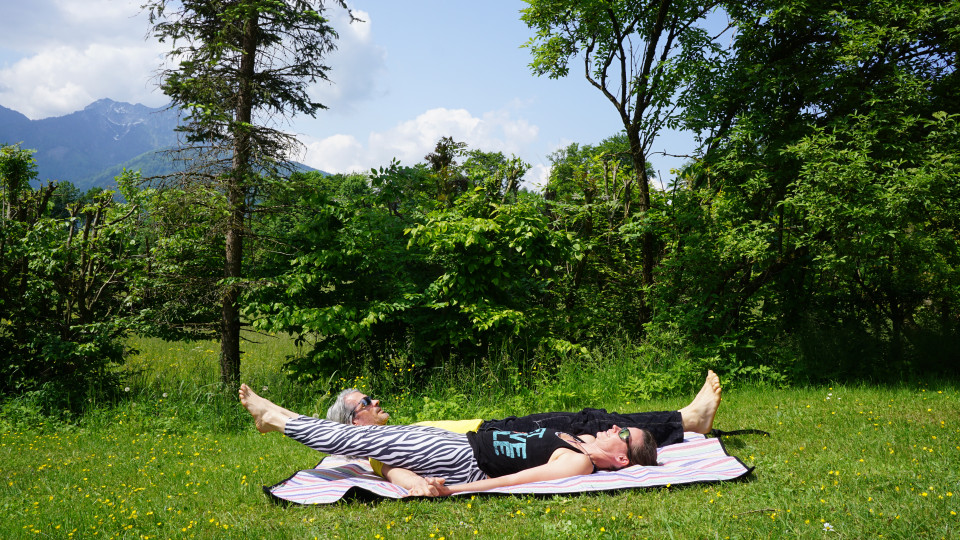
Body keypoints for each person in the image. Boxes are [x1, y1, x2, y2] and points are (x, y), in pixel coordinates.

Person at [239, 384, 658, 497]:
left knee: (358, 440)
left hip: (464, 459)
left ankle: (275, 417)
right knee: (370, 443)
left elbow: (513, 481)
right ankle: (276, 420)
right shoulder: (583, 443)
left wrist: (456, 489)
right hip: (458, 442)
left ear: (621, 460)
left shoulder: (580, 463)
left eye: (622, 433)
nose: (613, 427)